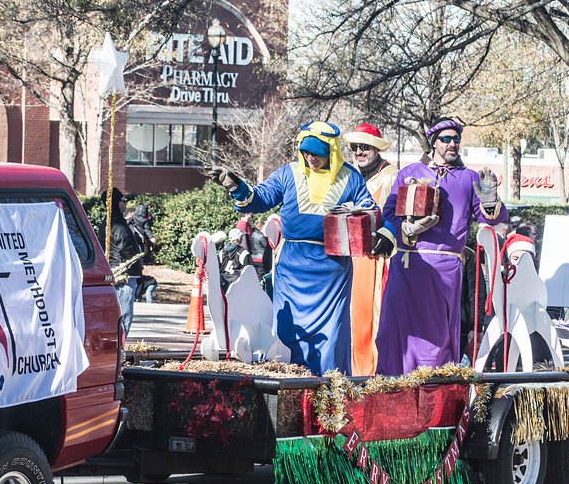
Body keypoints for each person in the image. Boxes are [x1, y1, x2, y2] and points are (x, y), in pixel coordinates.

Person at [206, 121, 389, 376]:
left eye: (316, 152)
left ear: (331, 151)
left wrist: (382, 232)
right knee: (288, 333)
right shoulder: (288, 173)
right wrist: (236, 186)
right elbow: (259, 199)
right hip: (292, 267)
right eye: (306, 152)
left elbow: (372, 211)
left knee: (331, 337)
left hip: (332, 270)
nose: (310, 157)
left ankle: (327, 398)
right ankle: (289, 394)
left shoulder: (351, 177)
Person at [376, 117, 509, 376]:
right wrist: (407, 229)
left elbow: (492, 218)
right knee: (394, 330)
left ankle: (432, 392)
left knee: (434, 337)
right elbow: (388, 212)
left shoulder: (469, 178)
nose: (452, 144)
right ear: (434, 143)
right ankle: (391, 387)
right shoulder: (409, 173)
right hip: (407, 263)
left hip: (444, 268)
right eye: (446, 139)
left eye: (456, 139)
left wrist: (490, 196)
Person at [344, 122, 399, 376]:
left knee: (375, 321)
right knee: (354, 320)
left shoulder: (391, 176)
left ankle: (374, 377)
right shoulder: (350, 177)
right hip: (353, 259)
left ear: (376, 149)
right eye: (355, 148)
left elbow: (397, 218)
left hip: (380, 260)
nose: (359, 152)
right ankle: (354, 374)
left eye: (364, 147)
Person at [102, 188, 144, 337]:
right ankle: (120, 349)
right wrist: (135, 262)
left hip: (114, 269)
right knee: (124, 314)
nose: (126, 204)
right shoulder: (118, 223)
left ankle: (118, 348)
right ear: (115, 202)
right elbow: (125, 245)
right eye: (123, 201)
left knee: (118, 314)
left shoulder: (106, 222)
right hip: (123, 273)